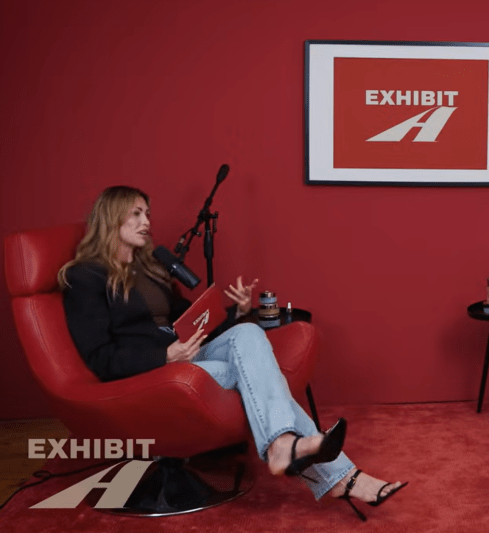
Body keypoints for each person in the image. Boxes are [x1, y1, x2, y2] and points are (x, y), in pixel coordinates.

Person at [59, 186, 405, 521]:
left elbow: (190, 321)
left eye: (147, 213)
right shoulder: (85, 276)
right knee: (258, 378)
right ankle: (343, 477)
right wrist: (165, 357)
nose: (146, 221)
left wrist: (234, 313)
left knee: (248, 331)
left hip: (186, 358)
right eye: (135, 214)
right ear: (111, 217)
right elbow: (100, 357)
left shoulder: (151, 268)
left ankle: (287, 447)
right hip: (153, 371)